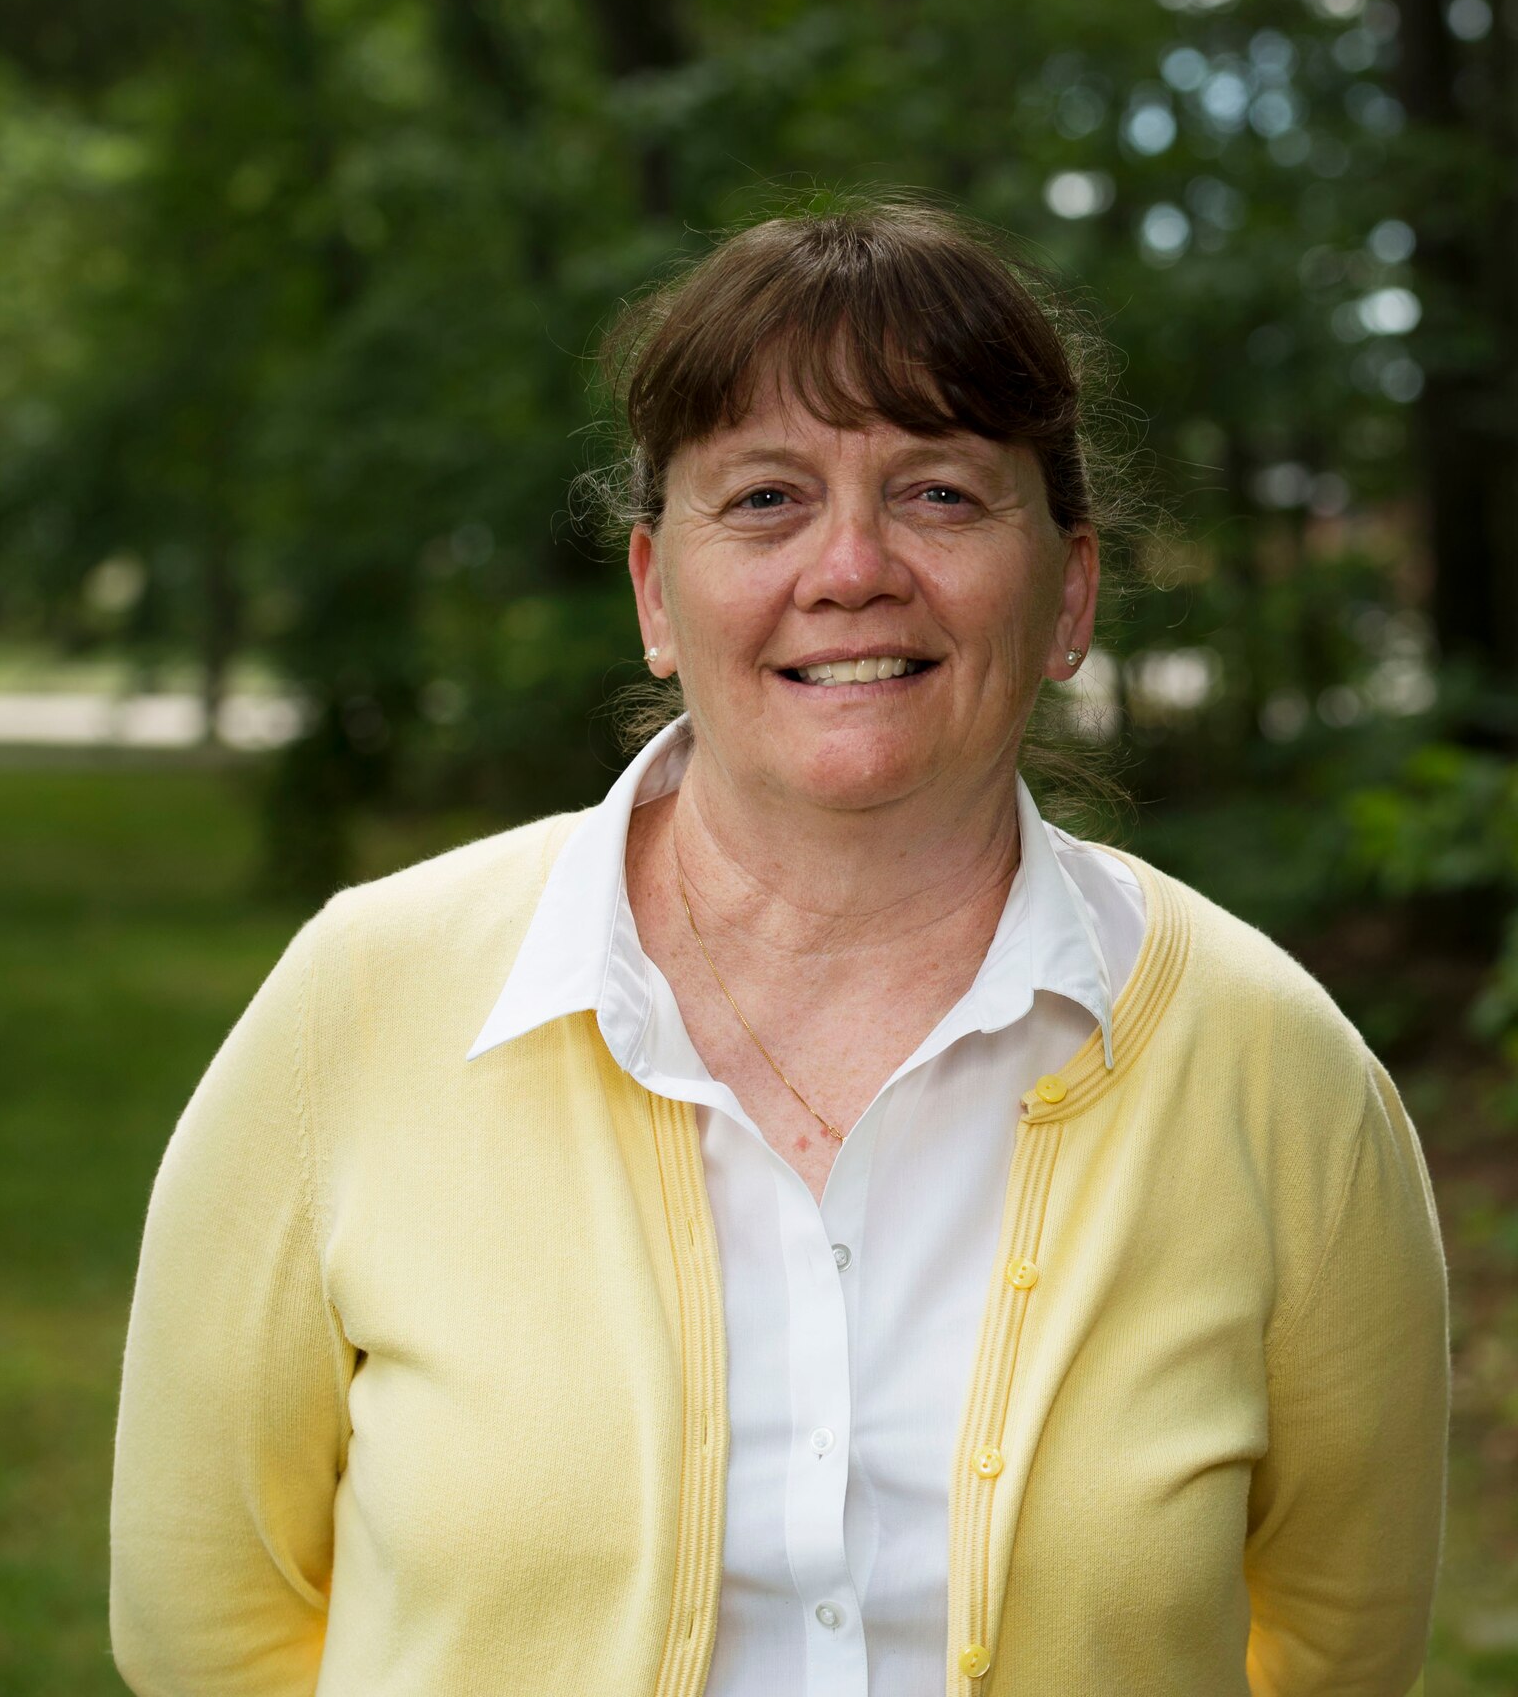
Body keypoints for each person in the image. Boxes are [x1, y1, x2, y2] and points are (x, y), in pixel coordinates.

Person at [110, 201, 1449, 1697]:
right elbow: (205, 1622)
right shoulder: (365, 1003)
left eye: (940, 493)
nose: (852, 565)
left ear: (1069, 593)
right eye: (763, 499)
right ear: (653, 594)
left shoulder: (1281, 1073)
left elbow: (1338, 1649)